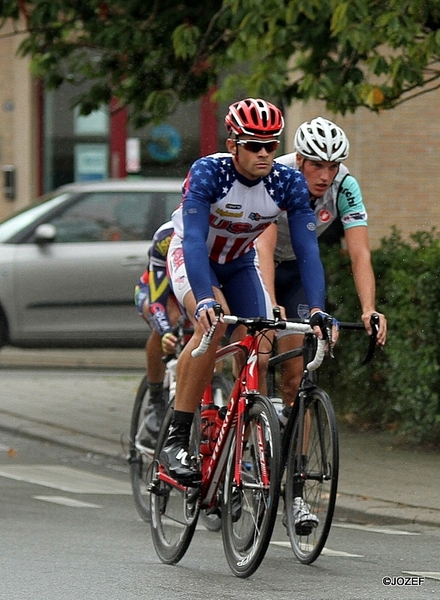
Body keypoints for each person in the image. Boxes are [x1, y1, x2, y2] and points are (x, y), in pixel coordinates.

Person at [161, 98, 335, 491]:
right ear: (232, 144)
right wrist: (204, 298)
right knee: (213, 326)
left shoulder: (286, 182)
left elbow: (308, 251)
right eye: (253, 145)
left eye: (270, 146)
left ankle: (244, 433)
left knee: (262, 336)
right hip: (196, 258)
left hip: (239, 263)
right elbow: (191, 243)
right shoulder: (209, 172)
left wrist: (319, 310)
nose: (263, 153)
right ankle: (176, 438)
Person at [256, 116, 387, 411]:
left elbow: (360, 253)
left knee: (296, 380)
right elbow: (263, 245)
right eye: (317, 165)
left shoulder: (345, 186)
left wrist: (369, 309)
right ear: (300, 159)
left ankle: (296, 458)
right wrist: (271, 302)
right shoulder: (276, 175)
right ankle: (252, 444)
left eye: (333, 166)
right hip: (257, 264)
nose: (325, 176)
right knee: (259, 361)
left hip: (295, 268)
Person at [134, 220, 181, 448]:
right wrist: (164, 333)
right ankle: (155, 398)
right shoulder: (167, 235)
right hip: (155, 291)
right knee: (167, 320)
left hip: (189, 292)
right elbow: (157, 302)